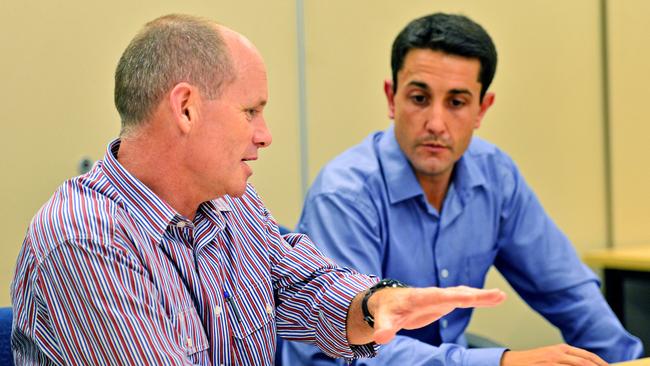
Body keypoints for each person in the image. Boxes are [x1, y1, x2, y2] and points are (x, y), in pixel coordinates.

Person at [9, 14, 507, 366]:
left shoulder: (229, 200)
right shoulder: (84, 241)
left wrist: (376, 304)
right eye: (251, 111)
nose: (265, 134)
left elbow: (305, 286)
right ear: (185, 109)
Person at [282, 12, 644, 366]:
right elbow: (356, 352)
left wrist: (627, 361)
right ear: (392, 99)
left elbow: (565, 289)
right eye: (419, 99)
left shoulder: (495, 175)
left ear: (481, 109)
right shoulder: (345, 194)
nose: (436, 123)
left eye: (456, 102)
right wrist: (502, 362)